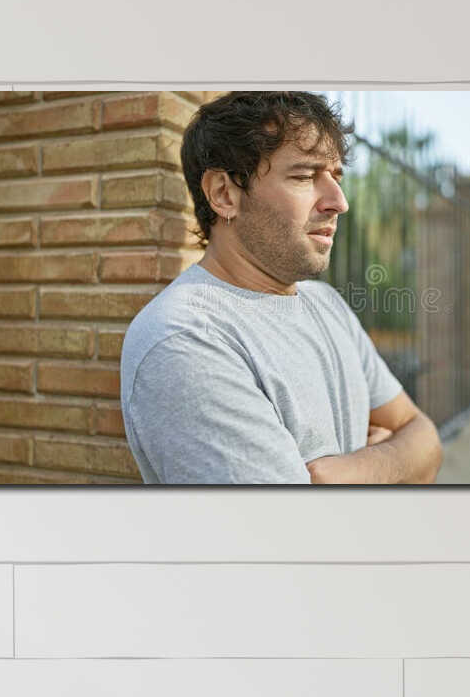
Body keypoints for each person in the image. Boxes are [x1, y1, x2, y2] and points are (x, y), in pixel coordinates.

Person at [119, 92, 443, 485]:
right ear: (224, 193)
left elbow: (426, 438)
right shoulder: (185, 339)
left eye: (336, 177)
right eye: (305, 176)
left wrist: (362, 470)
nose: (338, 201)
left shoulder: (327, 304)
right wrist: (397, 457)